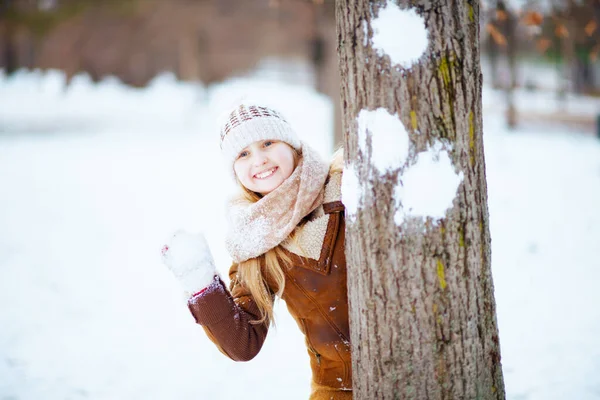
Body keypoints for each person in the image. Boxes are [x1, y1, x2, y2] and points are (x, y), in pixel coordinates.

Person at [161, 103, 351, 399]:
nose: (260, 160)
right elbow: (242, 343)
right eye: (244, 154)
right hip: (341, 388)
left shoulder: (346, 184)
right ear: (235, 169)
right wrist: (199, 281)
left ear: (291, 144)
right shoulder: (254, 242)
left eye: (268, 143)